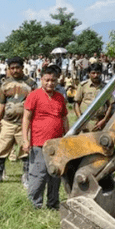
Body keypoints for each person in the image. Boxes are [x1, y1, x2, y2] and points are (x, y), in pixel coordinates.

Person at [22, 65, 69, 209]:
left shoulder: (60, 97)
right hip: (38, 143)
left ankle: (53, 204)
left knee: (55, 175)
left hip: (57, 144)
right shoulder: (34, 95)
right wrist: (25, 139)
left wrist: (68, 138)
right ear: (41, 79)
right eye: (47, 80)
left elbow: (65, 119)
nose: (50, 83)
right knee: (38, 174)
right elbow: (26, 119)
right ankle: (34, 204)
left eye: (53, 80)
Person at [0, 57, 37, 186]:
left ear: (22, 68)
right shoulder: (5, 84)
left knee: (25, 151)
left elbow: (35, 103)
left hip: (24, 124)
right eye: (12, 68)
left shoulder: (31, 83)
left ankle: (26, 177)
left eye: (17, 68)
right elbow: (1, 104)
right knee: (1, 150)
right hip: (8, 123)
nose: (15, 70)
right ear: (9, 69)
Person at [74, 63, 113, 132]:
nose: (96, 75)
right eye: (93, 73)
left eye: (98, 73)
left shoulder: (105, 87)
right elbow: (77, 103)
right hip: (86, 122)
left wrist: (104, 120)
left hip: (100, 122)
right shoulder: (83, 86)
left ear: (101, 73)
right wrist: (81, 120)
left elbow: (110, 104)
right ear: (89, 74)